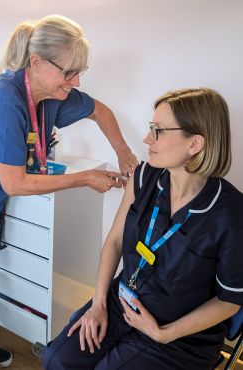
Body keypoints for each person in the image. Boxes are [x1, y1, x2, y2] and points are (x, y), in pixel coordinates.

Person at [0, 15, 138, 370]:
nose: (75, 81)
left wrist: (123, 152)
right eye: (69, 72)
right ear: (36, 62)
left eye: (81, 71)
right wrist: (86, 178)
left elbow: (100, 111)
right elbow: (14, 183)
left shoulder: (52, 96)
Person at [42, 88, 243, 370]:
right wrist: (98, 303)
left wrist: (163, 334)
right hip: (120, 302)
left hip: (179, 334)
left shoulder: (231, 213)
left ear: (195, 143)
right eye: (151, 128)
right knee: (56, 360)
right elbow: (114, 241)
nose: (147, 138)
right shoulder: (144, 177)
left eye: (158, 131)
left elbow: (229, 301)